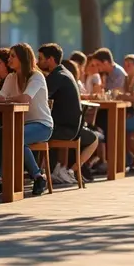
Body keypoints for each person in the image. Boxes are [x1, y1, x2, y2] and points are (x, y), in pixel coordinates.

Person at [0, 43, 54, 197]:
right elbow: (0, 97)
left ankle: (38, 177)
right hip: (20, 125)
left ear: (23, 58)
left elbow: (25, 99)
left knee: (16, 137)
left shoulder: (36, 76)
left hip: (42, 125)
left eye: (13, 56)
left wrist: (4, 99)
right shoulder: (10, 77)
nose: (9, 59)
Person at [38, 43, 98, 186]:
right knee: (94, 138)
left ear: (50, 59)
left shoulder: (56, 76)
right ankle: (65, 171)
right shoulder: (64, 72)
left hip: (65, 130)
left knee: (25, 134)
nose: (37, 62)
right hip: (73, 128)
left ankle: (38, 174)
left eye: (40, 58)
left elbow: (39, 98)